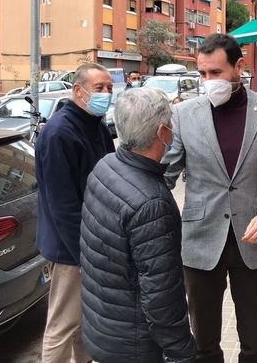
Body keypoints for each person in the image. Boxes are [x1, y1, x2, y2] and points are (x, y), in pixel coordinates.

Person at [162, 34, 257, 363]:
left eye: (216, 72)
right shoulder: (183, 114)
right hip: (200, 241)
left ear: (238, 67)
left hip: (253, 241)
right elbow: (165, 175)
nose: (208, 81)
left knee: (256, 342)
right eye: (202, 73)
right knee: (202, 343)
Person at [80, 87, 195, 362]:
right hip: (134, 344)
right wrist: (182, 351)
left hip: (102, 327)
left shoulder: (106, 166)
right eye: (170, 123)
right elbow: (162, 295)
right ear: (162, 132)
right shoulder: (152, 203)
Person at [36, 63, 115, 363]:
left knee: (86, 321)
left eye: (109, 88)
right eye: (99, 88)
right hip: (71, 248)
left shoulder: (96, 125)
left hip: (93, 242)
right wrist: (84, 256)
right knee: (63, 323)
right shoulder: (59, 133)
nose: (106, 94)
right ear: (78, 91)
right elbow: (63, 206)